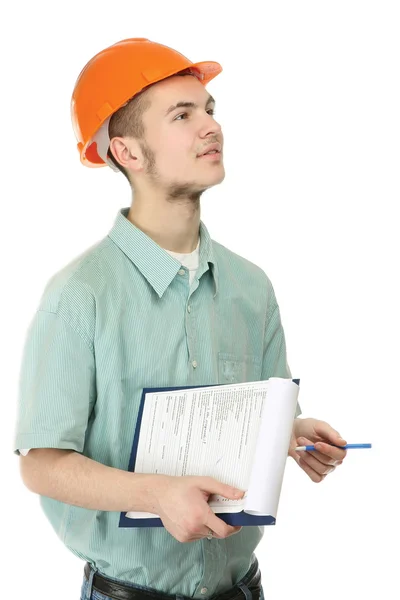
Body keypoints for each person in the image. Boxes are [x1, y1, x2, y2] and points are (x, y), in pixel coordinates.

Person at [14, 38, 348, 600]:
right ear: (128, 153)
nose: (210, 127)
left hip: (242, 589)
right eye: (182, 114)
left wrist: (288, 434)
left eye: (210, 109)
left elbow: (241, 418)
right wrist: (155, 494)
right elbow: (42, 465)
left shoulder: (251, 287)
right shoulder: (80, 295)